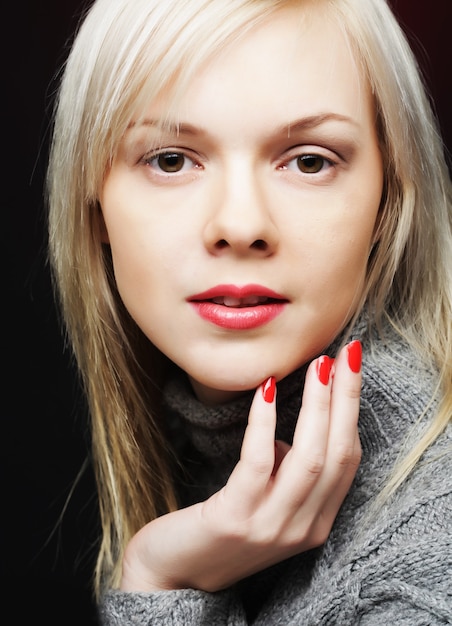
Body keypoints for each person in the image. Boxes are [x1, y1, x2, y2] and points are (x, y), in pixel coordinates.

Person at [46, 0, 452, 623]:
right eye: (172, 160)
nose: (240, 226)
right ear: (93, 207)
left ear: (388, 202)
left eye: (310, 161)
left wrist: (161, 588)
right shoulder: (192, 455)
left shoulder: (429, 559)